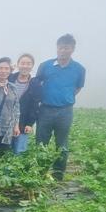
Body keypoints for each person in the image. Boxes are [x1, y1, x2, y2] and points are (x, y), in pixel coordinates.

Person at [35, 34, 86, 180]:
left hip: (65, 111)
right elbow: (38, 85)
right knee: (41, 142)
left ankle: (58, 173)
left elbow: (78, 88)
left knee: (62, 144)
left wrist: (65, 98)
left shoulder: (79, 69)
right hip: (45, 109)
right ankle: (40, 171)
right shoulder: (45, 66)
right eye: (61, 47)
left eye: (67, 48)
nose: (63, 50)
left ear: (72, 49)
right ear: (57, 48)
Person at [9, 54, 41, 154]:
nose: (25, 66)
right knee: (5, 150)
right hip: (7, 121)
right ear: (18, 65)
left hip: (23, 121)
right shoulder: (9, 78)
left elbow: (35, 105)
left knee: (19, 151)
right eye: (22, 63)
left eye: (28, 64)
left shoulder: (35, 83)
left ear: (32, 66)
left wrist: (30, 123)